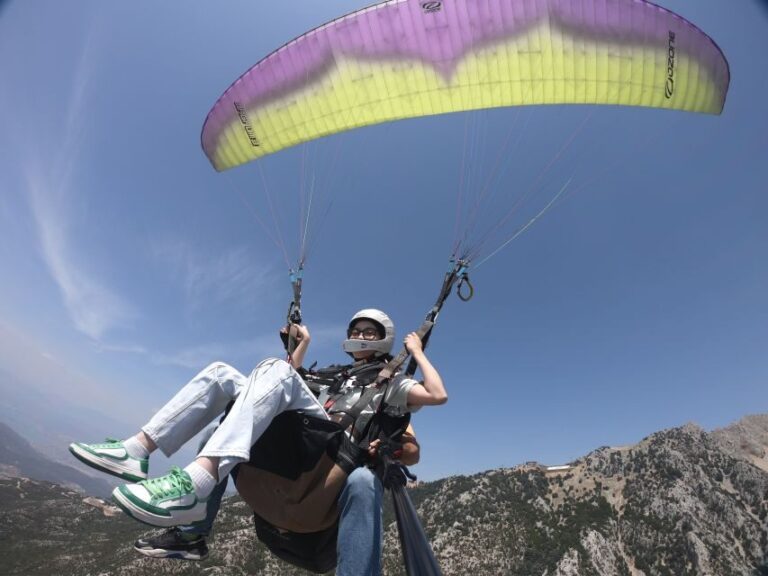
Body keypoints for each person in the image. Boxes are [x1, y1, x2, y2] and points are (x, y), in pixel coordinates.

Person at [69, 309, 445, 573]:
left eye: (370, 332)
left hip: (329, 465)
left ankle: (195, 485)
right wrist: (303, 344)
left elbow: (435, 398)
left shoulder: (390, 386)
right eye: (358, 330)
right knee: (222, 376)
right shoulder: (334, 376)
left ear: (385, 341)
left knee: (364, 479)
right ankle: (140, 453)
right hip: (299, 453)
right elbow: (279, 384)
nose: (361, 336)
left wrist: (415, 354)